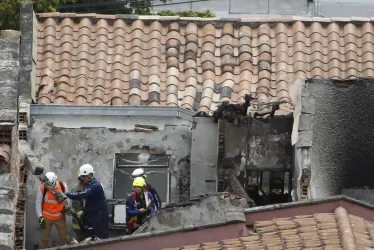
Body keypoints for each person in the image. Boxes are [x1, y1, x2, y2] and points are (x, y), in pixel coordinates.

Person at [65, 164, 109, 240]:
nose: (82, 179)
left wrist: (66, 194)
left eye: (84, 176)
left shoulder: (95, 185)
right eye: (81, 177)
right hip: (91, 215)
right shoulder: (88, 184)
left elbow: (83, 195)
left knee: (99, 237)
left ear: (90, 175)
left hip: (98, 215)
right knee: (91, 236)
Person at [35, 172, 69, 249]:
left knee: (64, 238)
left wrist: (66, 207)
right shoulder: (42, 188)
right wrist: (40, 217)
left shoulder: (62, 186)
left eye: (51, 185)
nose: (50, 187)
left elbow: (68, 199)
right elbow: (38, 203)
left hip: (60, 217)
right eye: (48, 185)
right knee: (44, 239)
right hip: (46, 218)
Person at [70, 171, 88, 242]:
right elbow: (77, 208)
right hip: (80, 224)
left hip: (88, 223)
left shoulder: (90, 187)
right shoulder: (76, 190)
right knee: (82, 242)